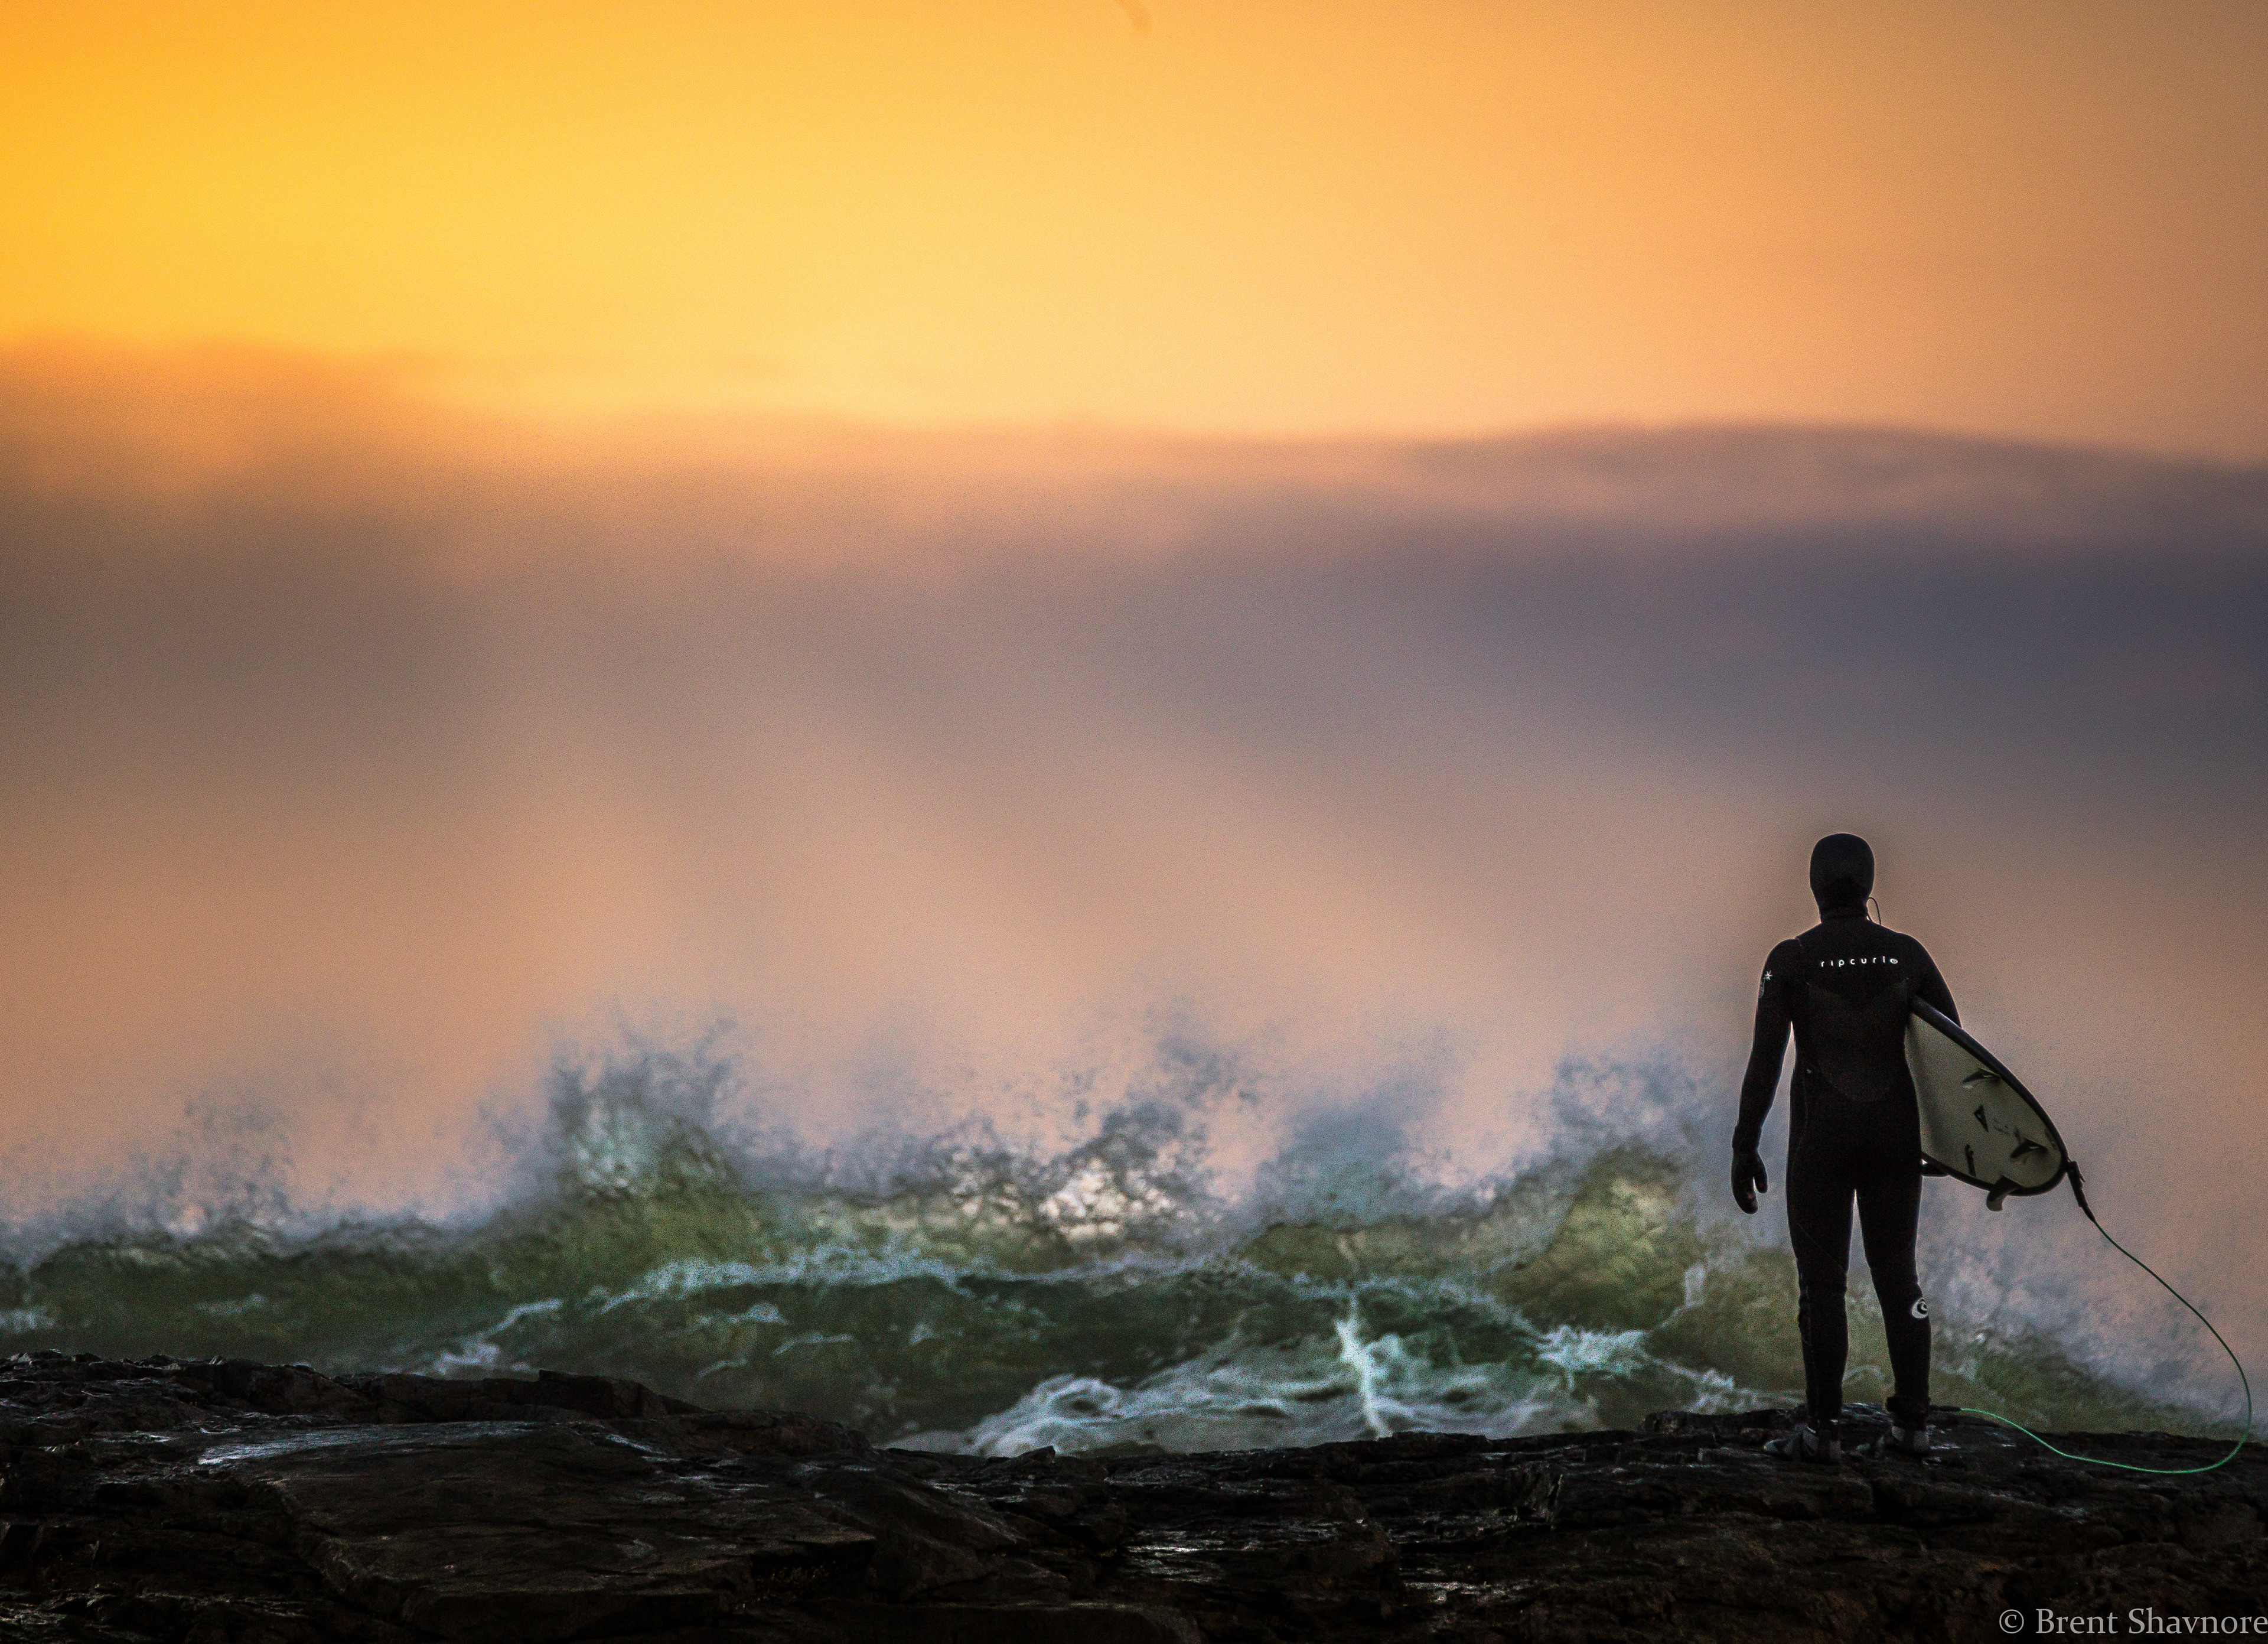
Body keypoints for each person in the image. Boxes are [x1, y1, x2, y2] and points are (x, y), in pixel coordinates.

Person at [1731, 833, 1956, 1463]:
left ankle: (1823, 1432)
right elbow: (1951, 1051)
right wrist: (1948, 1143)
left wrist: (1744, 1146)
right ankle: (1913, 1426)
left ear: (1814, 885)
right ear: (1869, 884)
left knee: (1822, 1288)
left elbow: (1765, 1064)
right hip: (1894, 1140)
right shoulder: (1906, 954)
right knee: (1899, 1280)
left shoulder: (1793, 957)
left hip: (1821, 1143)